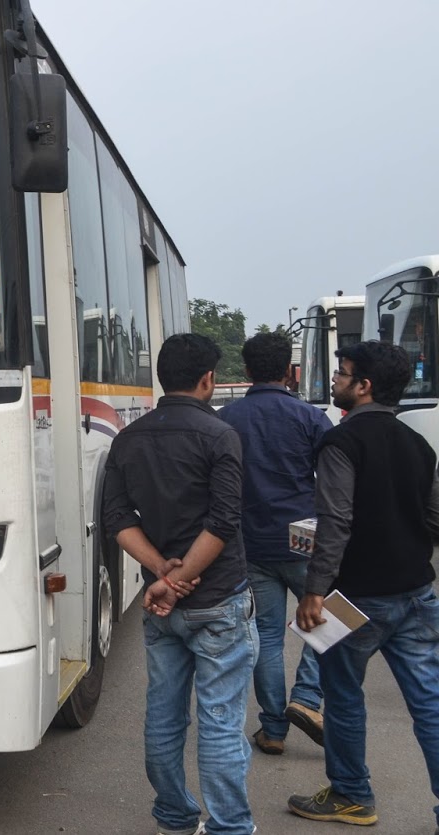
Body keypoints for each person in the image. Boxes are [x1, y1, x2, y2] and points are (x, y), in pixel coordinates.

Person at [102, 332, 256, 835]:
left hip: (162, 607)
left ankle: (173, 815)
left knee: (164, 718)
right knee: (220, 723)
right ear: (208, 380)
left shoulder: (127, 439)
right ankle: (229, 826)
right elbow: (223, 522)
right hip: (219, 600)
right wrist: (180, 577)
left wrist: (161, 573)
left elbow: (118, 517)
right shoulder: (219, 435)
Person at [287, 340, 439, 828]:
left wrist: (314, 591)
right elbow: (434, 516)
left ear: (364, 386)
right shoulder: (418, 443)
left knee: (344, 697)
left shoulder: (341, 442)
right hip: (417, 592)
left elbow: (335, 521)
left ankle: (352, 796)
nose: (335, 379)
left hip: (354, 598)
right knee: (431, 705)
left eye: (343, 372)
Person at [218, 330, 332, 755]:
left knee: (266, 634)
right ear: (289, 370)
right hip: (303, 535)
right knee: (330, 620)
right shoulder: (310, 417)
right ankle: (306, 697)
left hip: (251, 539)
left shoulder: (226, 418)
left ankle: (273, 730)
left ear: (247, 370)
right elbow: (333, 481)